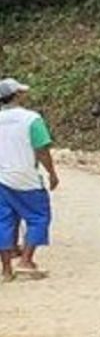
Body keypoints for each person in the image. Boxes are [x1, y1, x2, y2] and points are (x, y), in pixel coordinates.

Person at [0, 78, 59, 281]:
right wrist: (52, 173)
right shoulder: (31, 119)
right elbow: (42, 148)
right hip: (26, 177)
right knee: (38, 217)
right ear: (16, 96)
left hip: (1, 179)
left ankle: (6, 270)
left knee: (4, 221)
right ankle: (26, 260)